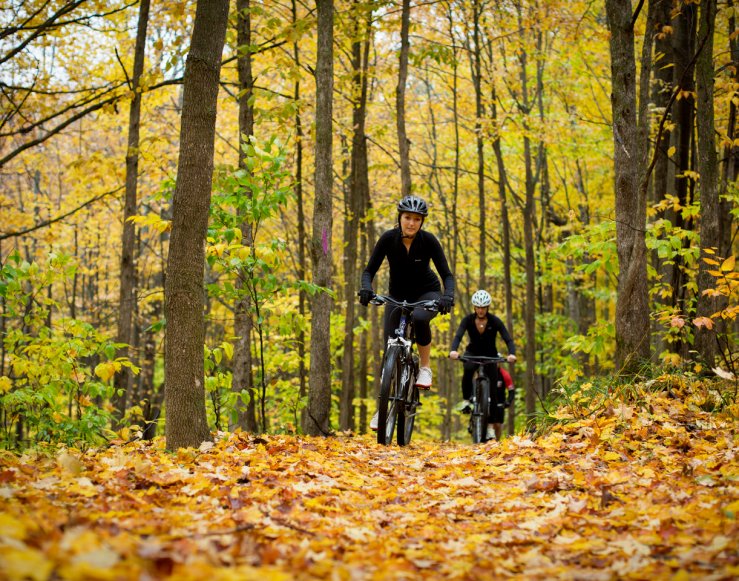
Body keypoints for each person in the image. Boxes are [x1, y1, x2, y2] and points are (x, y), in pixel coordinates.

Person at [359, 195, 455, 430]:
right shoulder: (388, 239)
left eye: (416, 219)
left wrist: (447, 297)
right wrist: (365, 289)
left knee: (421, 318)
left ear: (422, 222)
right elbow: (368, 271)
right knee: (390, 348)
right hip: (397, 296)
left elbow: (447, 276)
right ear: (400, 218)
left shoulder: (429, 241)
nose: (411, 223)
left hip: (426, 293)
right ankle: (382, 409)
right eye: (407, 218)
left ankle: (424, 368)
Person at [449, 289, 516, 440]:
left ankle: (491, 427)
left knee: (492, 392)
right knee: (467, 369)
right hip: (472, 353)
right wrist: (453, 350)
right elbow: (458, 335)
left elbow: (508, 339)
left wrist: (511, 353)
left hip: (490, 356)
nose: (480, 310)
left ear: (487, 307)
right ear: (474, 307)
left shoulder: (494, 321)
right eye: (478, 307)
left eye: (483, 307)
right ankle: (467, 400)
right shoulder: (467, 320)